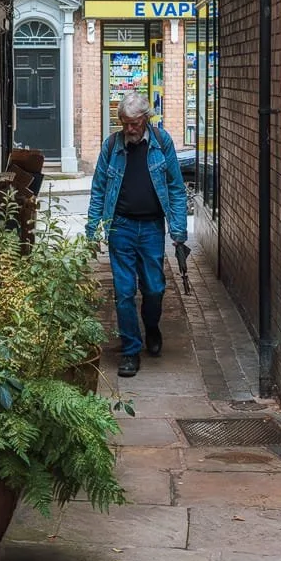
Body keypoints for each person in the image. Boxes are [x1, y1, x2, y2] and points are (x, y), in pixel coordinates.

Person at [86, 91, 189, 377]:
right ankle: (131, 350)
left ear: (145, 119)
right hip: (120, 226)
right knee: (123, 292)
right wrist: (92, 229)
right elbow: (98, 190)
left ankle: (152, 326)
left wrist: (179, 231)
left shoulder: (161, 142)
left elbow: (176, 188)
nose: (129, 129)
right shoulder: (111, 146)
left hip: (153, 227)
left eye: (134, 123)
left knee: (154, 288)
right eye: (125, 123)